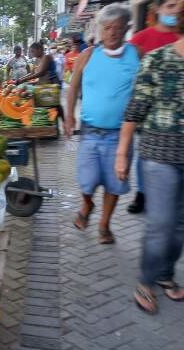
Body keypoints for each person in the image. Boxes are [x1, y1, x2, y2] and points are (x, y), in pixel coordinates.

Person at [115, 11, 184, 313]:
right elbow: (134, 110)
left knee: (180, 227)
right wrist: (122, 153)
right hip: (160, 157)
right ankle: (146, 280)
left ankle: (166, 273)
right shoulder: (157, 59)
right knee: (161, 224)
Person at [64, 3, 141, 244]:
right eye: (107, 28)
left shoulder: (136, 55)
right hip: (90, 132)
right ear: (99, 29)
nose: (112, 33)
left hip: (121, 135)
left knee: (114, 185)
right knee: (86, 181)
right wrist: (69, 115)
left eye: (118, 28)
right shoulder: (88, 56)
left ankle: (104, 225)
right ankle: (87, 204)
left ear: (127, 28)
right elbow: (73, 86)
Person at [125, 0, 183, 214]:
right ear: (156, 9)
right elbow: (130, 70)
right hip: (150, 112)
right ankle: (142, 193)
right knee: (145, 155)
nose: (176, 10)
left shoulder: (179, 37)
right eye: (170, 5)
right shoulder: (141, 38)